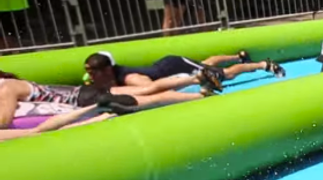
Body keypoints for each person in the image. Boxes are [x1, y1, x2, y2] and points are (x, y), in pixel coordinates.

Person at [0, 70, 215, 128]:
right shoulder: (13, 83)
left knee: (151, 98)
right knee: (148, 91)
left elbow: (4, 120)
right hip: (83, 93)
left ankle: (198, 95)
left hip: (83, 100)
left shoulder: (6, 87)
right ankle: (195, 79)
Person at [84, 51, 284, 90]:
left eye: (93, 72)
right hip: (168, 64)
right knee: (205, 63)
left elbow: (152, 88)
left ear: (107, 70)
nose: (89, 76)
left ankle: (263, 65)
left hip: (175, 66)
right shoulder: (111, 75)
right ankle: (238, 56)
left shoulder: (131, 78)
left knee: (226, 74)